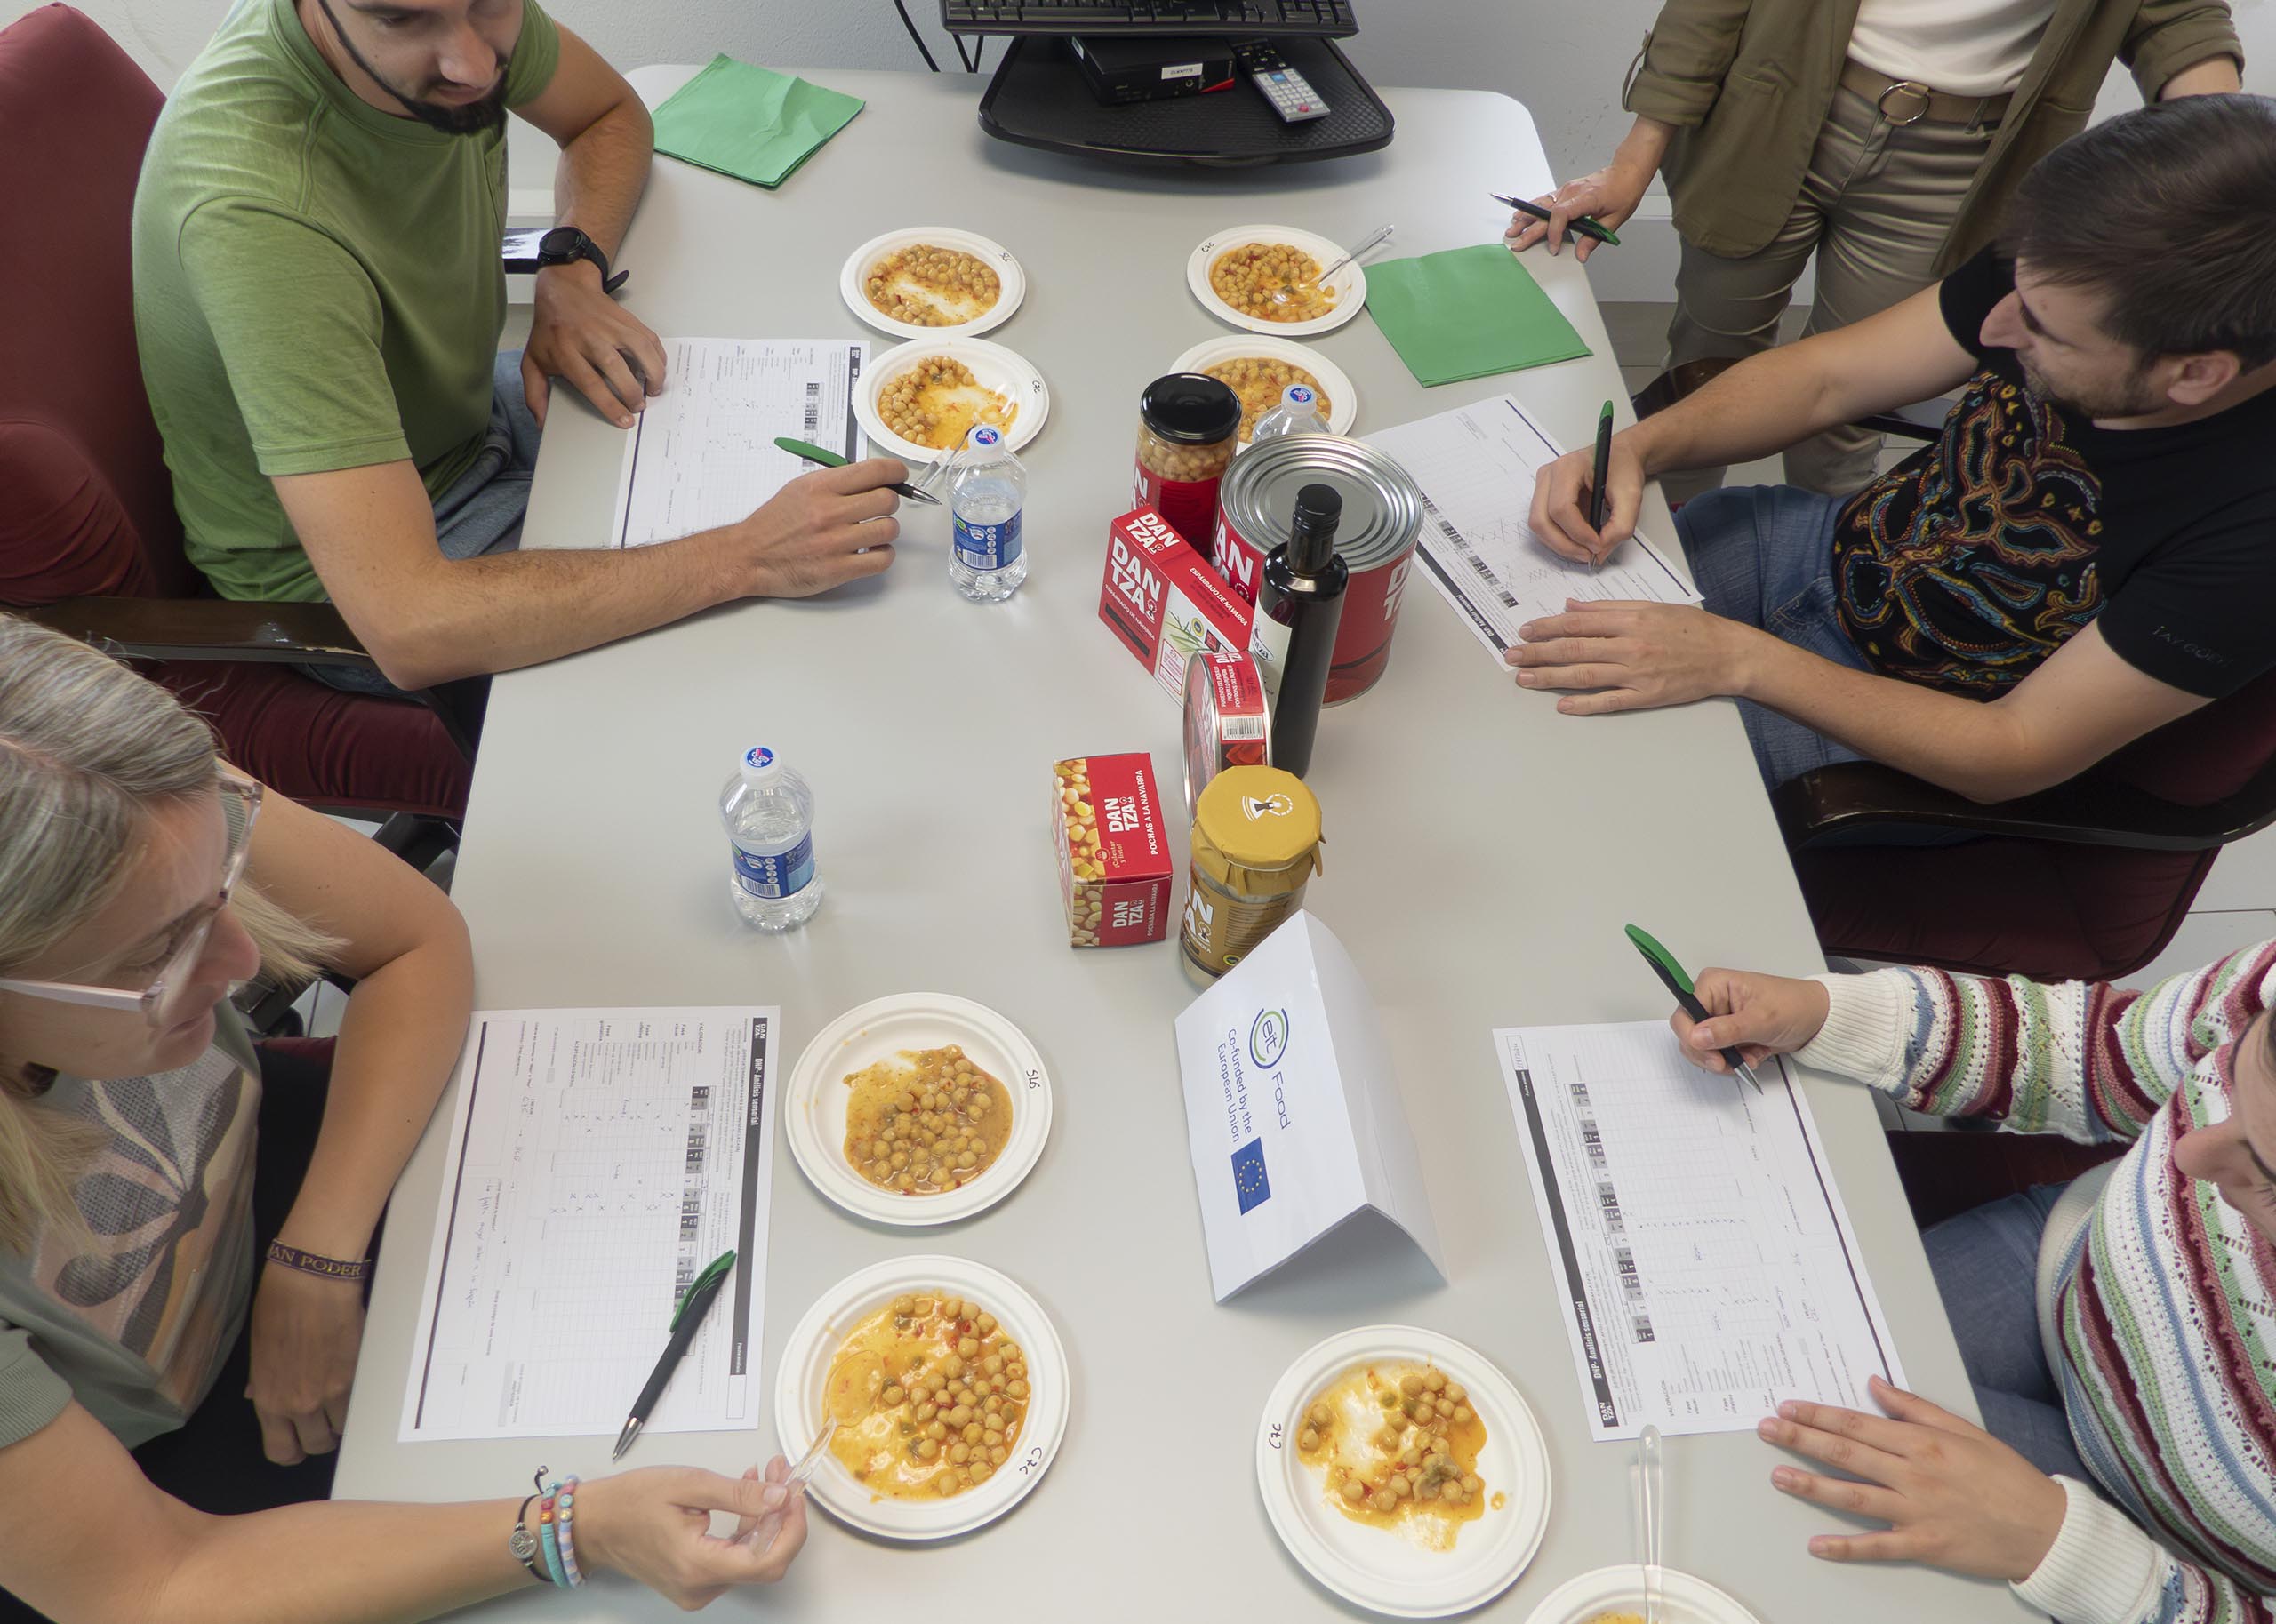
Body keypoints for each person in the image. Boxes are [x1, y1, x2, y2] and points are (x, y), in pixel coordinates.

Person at [0, 618, 808, 1623]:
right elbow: (151, 1583)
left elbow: (410, 939)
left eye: (223, 887)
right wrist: (576, 1529)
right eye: (159, 956)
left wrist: (318, 1251)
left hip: (291, 1189)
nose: (248, 964)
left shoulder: (121, 792)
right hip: (154, 1469)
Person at [1512, 95, 2276, 802]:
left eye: (2043, 328)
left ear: (2197, 374)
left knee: (1573, 788)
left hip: (1910, 713)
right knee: (1490, 628)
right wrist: (1640, 448)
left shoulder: (2254, 535)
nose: (1996, 330)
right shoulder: (2080, 267)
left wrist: (1737, 658)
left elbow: (2016, 747)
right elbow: (1827, 378)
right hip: (1821, 547)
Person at [132, 0, 906, 696]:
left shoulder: (453, 16)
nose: (470, 65)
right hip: (353, 582)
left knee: (835, 492)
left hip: (468, 424)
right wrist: (741, 557)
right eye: (400, 19)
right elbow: (409, 625)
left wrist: (572, 266)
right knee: (791, 646)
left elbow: (608, 112)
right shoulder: (259, 217)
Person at [1661, 937, 2276, 1624]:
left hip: (2158, 1545)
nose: (2187, 1149)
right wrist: (1832, 1012)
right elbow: (2103, 1051)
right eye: (2227, 1084)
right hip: (2067, 1272)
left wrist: (2067, 1551)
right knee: (1741, 1391)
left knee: (1781, 1530)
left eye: (2268, 1178)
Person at [1508, 0, 2240, 495]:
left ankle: (1828, 576)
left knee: (1852, 403)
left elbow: (2182, 21)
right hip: (1771, 113)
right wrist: (1633, 160)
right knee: (1703, 361)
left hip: (1969, 154)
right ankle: (1656, 538)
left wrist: (2223, 171)